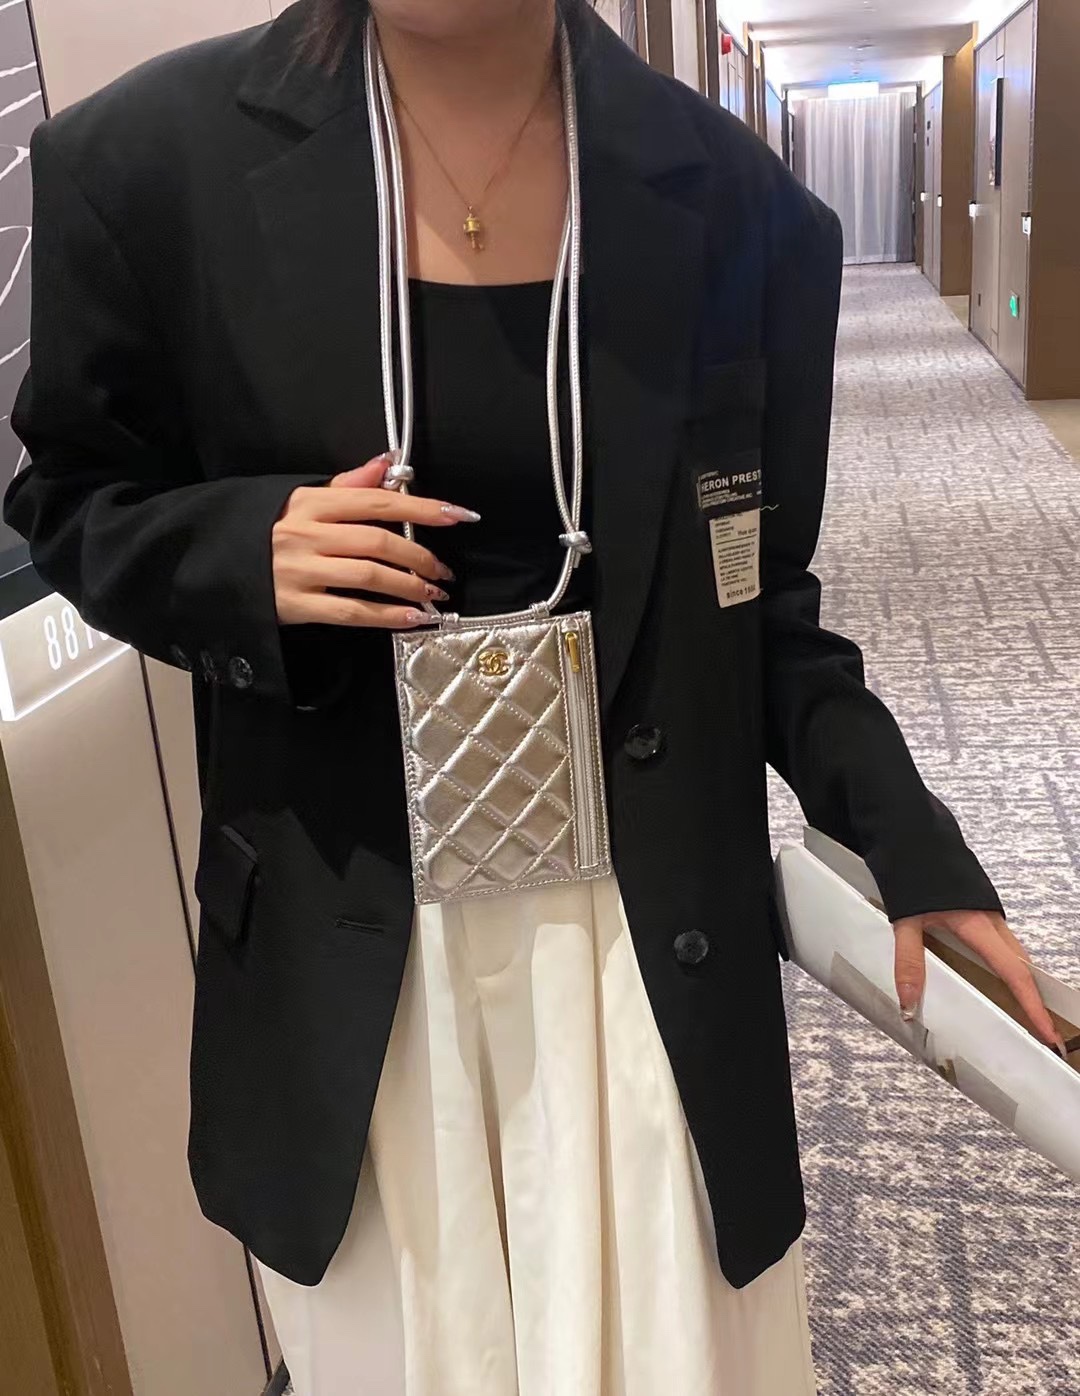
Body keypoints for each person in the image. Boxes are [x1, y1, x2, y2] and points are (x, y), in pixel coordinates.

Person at [4, 1, 1063, 1392]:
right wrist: (238, 551)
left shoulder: (740, 207)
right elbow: (73, 498)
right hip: (359, 940)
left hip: (646, 935)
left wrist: (907, 837)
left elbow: (759, 606)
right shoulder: (148, 166)